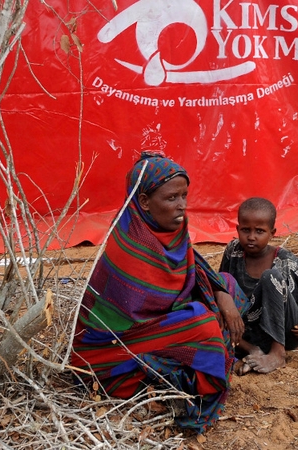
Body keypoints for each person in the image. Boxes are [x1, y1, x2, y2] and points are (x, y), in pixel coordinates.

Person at [69, 151, 248, 434]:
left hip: (160, 322)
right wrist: (202, 311)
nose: (182, 206)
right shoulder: (133, 244)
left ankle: (209, 356)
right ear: (144, 202)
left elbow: (195, 268)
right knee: (203, 322)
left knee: (227, 285)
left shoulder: (171, 228)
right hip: (113, 347)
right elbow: (137, 318)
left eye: (184, 196)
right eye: (172, 198)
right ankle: (191, 381)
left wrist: (220, 294)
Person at [219, 197, 298, 374]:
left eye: (259, 231)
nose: (251, 237)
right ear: (237, 229)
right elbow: (222, 286)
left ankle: (277, 353)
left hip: (286, 330)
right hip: (250, 331)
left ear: (272, 233)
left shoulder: (283, 258)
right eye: (245, 230)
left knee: (271, 276)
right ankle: (252, 350)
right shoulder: (233, 251)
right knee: (219, 287)